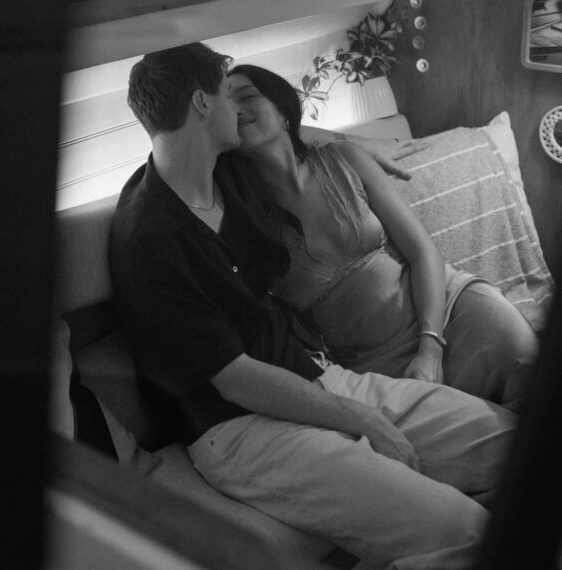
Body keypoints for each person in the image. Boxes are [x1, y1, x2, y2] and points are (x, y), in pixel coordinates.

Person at [109, 42, 518, 570]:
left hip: (318, 379)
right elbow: (237, 381)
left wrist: (355, 144)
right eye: (227, 95)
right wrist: (366, 421)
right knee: (468, 533)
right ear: (202, 104)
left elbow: (285, 131)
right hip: (243, 430)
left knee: (521, 446)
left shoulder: (226, 178)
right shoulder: (149, 237)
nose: (238, 109)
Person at [228, 64, 538, 409]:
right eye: (225, 105)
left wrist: (430, 348)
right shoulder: (239, 218)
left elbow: (423, 252)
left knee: (533, 376)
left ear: (282, 106)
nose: (236, 109)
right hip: (374, 366)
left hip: (447, 313)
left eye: (247, 96)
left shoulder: (343, 159)